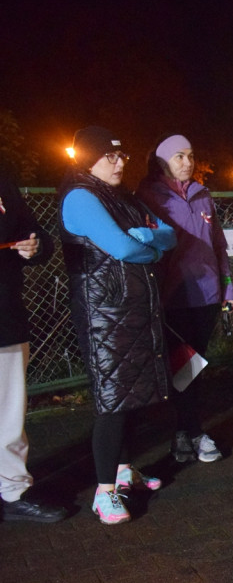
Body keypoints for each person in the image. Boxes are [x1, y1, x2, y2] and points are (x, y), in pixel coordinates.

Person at [60, 126, 177, 524]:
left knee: (130, 395)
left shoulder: (121, 196)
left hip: (130, 310)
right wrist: (150, 250)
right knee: (112, 400)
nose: (119, 161)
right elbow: (123, 248)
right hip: (104, 314)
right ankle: (104, 492)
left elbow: (169, 235)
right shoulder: (81, 196)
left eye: (122, 155)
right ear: (87, 159)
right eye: (110, 156)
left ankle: (124, 473)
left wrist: (147, 236)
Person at [136, 134, 233, 463]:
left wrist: (228, 288)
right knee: (182, 367)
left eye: (191, 156)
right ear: (163, 161)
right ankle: (190, 432)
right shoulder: (148, 196)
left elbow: (219, 244)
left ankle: (186, 432)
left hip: (206, 294)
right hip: (173, 295)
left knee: (194, 366)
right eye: (179, 156)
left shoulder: (202, 194)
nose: (188, 163)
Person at [0, 175, 66, 523]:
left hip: (5, 315)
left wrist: (34, 246)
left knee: (8, 414)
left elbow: (39, 237)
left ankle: (14, 491)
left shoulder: (4, 180)